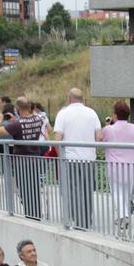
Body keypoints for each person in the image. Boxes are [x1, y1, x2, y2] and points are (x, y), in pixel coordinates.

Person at [52, 88, 103, 230]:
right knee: (87, 190)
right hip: (89, 159)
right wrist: (93, 150)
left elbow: (57, 139)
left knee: (74, 190)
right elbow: (99, 137)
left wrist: (61, 157)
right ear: (83, 99)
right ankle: (86, 220)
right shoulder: (92, 113)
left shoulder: (63, 114)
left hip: (70, 159)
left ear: (69, 98)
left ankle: (79, 221)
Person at [102, 101, 134, 237]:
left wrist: (107, 126)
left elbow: (101, 143)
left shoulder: (109, 129)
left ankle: (124, 216)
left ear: (115, 115)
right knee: (126, 194)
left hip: (114, 167)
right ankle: (124, 215)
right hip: (131, 167)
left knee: (117, 193)